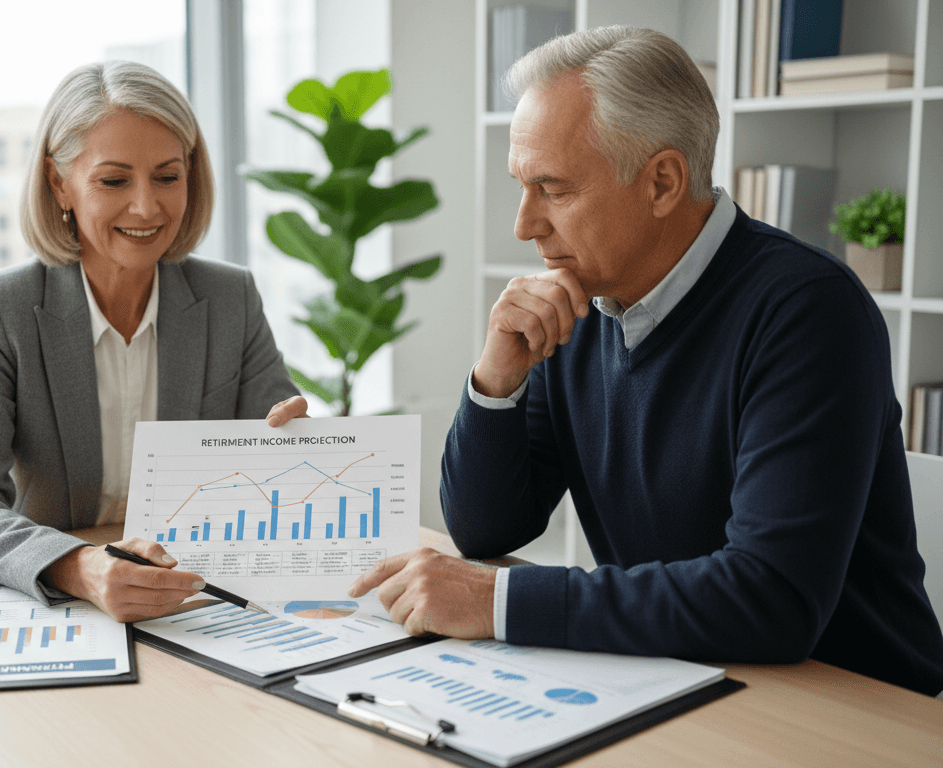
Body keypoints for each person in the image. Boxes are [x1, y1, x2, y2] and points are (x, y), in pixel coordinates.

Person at [348, 26, 943, 695]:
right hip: (683, 677)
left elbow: (770, 598)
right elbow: (489, 526)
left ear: (662, 181)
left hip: (853, 708)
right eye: (522, 185)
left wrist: (498, 601)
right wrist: (495, 382)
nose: (524, 225)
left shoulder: (807, 311)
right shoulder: (580, 303)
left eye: (553, 188)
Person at [0, 61, 307, 623]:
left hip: (194, 601)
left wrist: (295, 447)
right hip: (63, 606)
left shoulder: (231, 298)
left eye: (167, 176)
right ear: (60, 183)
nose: (147, 207)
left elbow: (282, 469)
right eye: (113, 180)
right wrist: (80, 567)